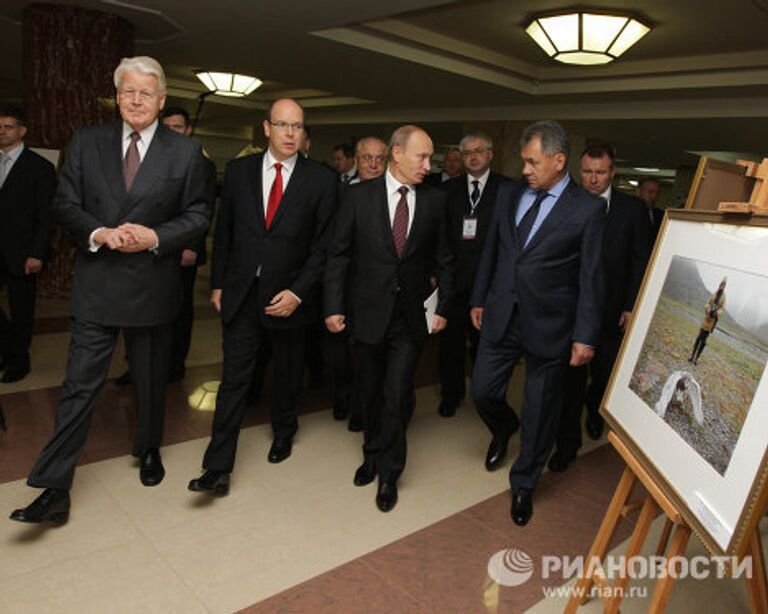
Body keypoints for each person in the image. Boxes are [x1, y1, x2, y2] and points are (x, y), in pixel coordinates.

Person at [10, 56, 213, 523]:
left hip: (152, 284)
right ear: (116, 97)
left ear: (161, 101)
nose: (136, 100)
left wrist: (155, 237)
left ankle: (148, 449)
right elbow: (65, 203)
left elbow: (200, 213)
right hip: (98, 283)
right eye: (128, 91)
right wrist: (101, 233)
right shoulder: (86, 141)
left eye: (146, 93)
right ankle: (54, 487)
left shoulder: (186, 153)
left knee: (148, 381)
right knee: (78, 388)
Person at [188, 98, 337, 495]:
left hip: (290, 297)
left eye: (298, 126)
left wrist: (299, 293)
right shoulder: (238, 172)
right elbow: (226, 233)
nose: (291, 133)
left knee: (288, 375)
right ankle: (217, 466)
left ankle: (284, 430)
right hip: (242, 294)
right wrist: (217, 284)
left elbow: (324, 248)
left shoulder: (321, 180)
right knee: (234, 379)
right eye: (283, 125)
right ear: (266, 128)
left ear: (304, 133)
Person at [470, 120, 605, 526]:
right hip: (501, 315)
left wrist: (585, 335)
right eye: (524, 161)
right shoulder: (510, 193)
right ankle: (503, 425)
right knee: (482, 391)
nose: (525, 169)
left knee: (540, 410)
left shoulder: (588, 209)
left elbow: (591, 277)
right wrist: (479, 298)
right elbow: (492, 251)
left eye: (532, 162)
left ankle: (524, 484)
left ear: (558, 161)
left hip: (551, 325)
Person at [324, 125, 453, 512]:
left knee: (396, 395)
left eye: (431, 157)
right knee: (369, 390)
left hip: (410, 320)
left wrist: (443, 307)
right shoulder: (356, 197)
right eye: (422, 157)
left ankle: (389, 473)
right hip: (366, 313)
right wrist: (333, 306)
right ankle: (370, 453)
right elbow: (339, 255)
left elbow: (446, 258)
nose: (429, 166)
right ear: (397, 154)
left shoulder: (435, 201)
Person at [549, 144, 651, 471]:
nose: (593, 179)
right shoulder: (567, 203)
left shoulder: (633, 210)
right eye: (588, 172)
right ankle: (567, 444)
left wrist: (632, 304)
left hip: (611, 311)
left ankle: (595, 411)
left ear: (613, 173)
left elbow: (640, 262)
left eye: (601, 173)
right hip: (573, 311)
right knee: (569, 381)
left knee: (604, 374)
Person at [437, 131, 509, 417]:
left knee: (485, 346)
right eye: (468, 153)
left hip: (490, 286)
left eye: (479, 151)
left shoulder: (507, 189)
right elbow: (440, 237)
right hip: (454, 283)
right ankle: (450, 395)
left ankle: (487, 398)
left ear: (490, 154)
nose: (474, 156)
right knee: (450, 345)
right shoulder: (448, 190)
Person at [332, 136, 389, 429]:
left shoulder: (395, 194)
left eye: (380, 158)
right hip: (346, 286)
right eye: (368, 158)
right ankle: (347, 398)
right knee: (343, 351)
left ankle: (366, 409)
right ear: (356, 159)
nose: (374, 164)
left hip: (378, 290)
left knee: (373, 354)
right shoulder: (341, 192)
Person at [0, 104, 56, 383]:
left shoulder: (40, 168)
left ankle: (18, 360)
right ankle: (9, 346)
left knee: (22, 310)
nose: (2, 132)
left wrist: (37, 253)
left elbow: (46, 216)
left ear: (22, 130)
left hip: (22, 254)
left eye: (8, 126)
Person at [689, 278, 726, 365]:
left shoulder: (724, 297)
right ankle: (692, 356)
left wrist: (716, 312)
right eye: (721, 284)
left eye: (723, 285)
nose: (722, 286)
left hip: (712, 321)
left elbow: (722, 308)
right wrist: (708, 308)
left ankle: (696, 359)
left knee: (704, 340)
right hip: (706, 318)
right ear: (719, 284)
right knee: (698, 337)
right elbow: (708, 303)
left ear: (724, 287)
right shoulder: (714, 294)